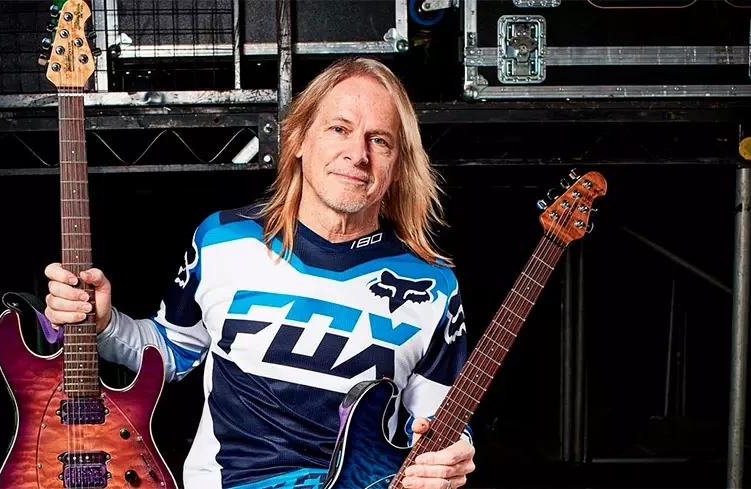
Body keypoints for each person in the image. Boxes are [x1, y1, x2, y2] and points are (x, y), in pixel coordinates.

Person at [44, 56, 476, 489]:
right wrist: (104, 324)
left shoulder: (434, 286)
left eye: (379, 140)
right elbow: (172, 351)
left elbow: (438, 424)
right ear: (299, 138)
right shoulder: (222, 240)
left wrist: (451, 457)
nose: (357, 155)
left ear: (398, 164)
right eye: (339, 129)